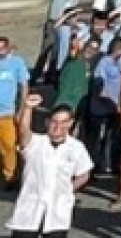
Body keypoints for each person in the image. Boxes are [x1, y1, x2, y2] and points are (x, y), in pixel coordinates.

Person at [5, 93, 93, 238]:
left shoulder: (77, 147)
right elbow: (23, 131)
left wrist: (68, 189)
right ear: (47, 122)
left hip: (58, 211)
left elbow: (84, 174)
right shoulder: (35, 143)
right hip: (30, 209)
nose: (58, 126)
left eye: (64, 122)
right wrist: (27, 108)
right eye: (54, 121)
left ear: (71, 123)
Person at [0, 37, 33, 188]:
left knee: (9, 145)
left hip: (7, 112)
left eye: (2, 47)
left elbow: (24, 85)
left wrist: (22, 109)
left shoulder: (16, 62)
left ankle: (10, 176)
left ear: (8, 48)